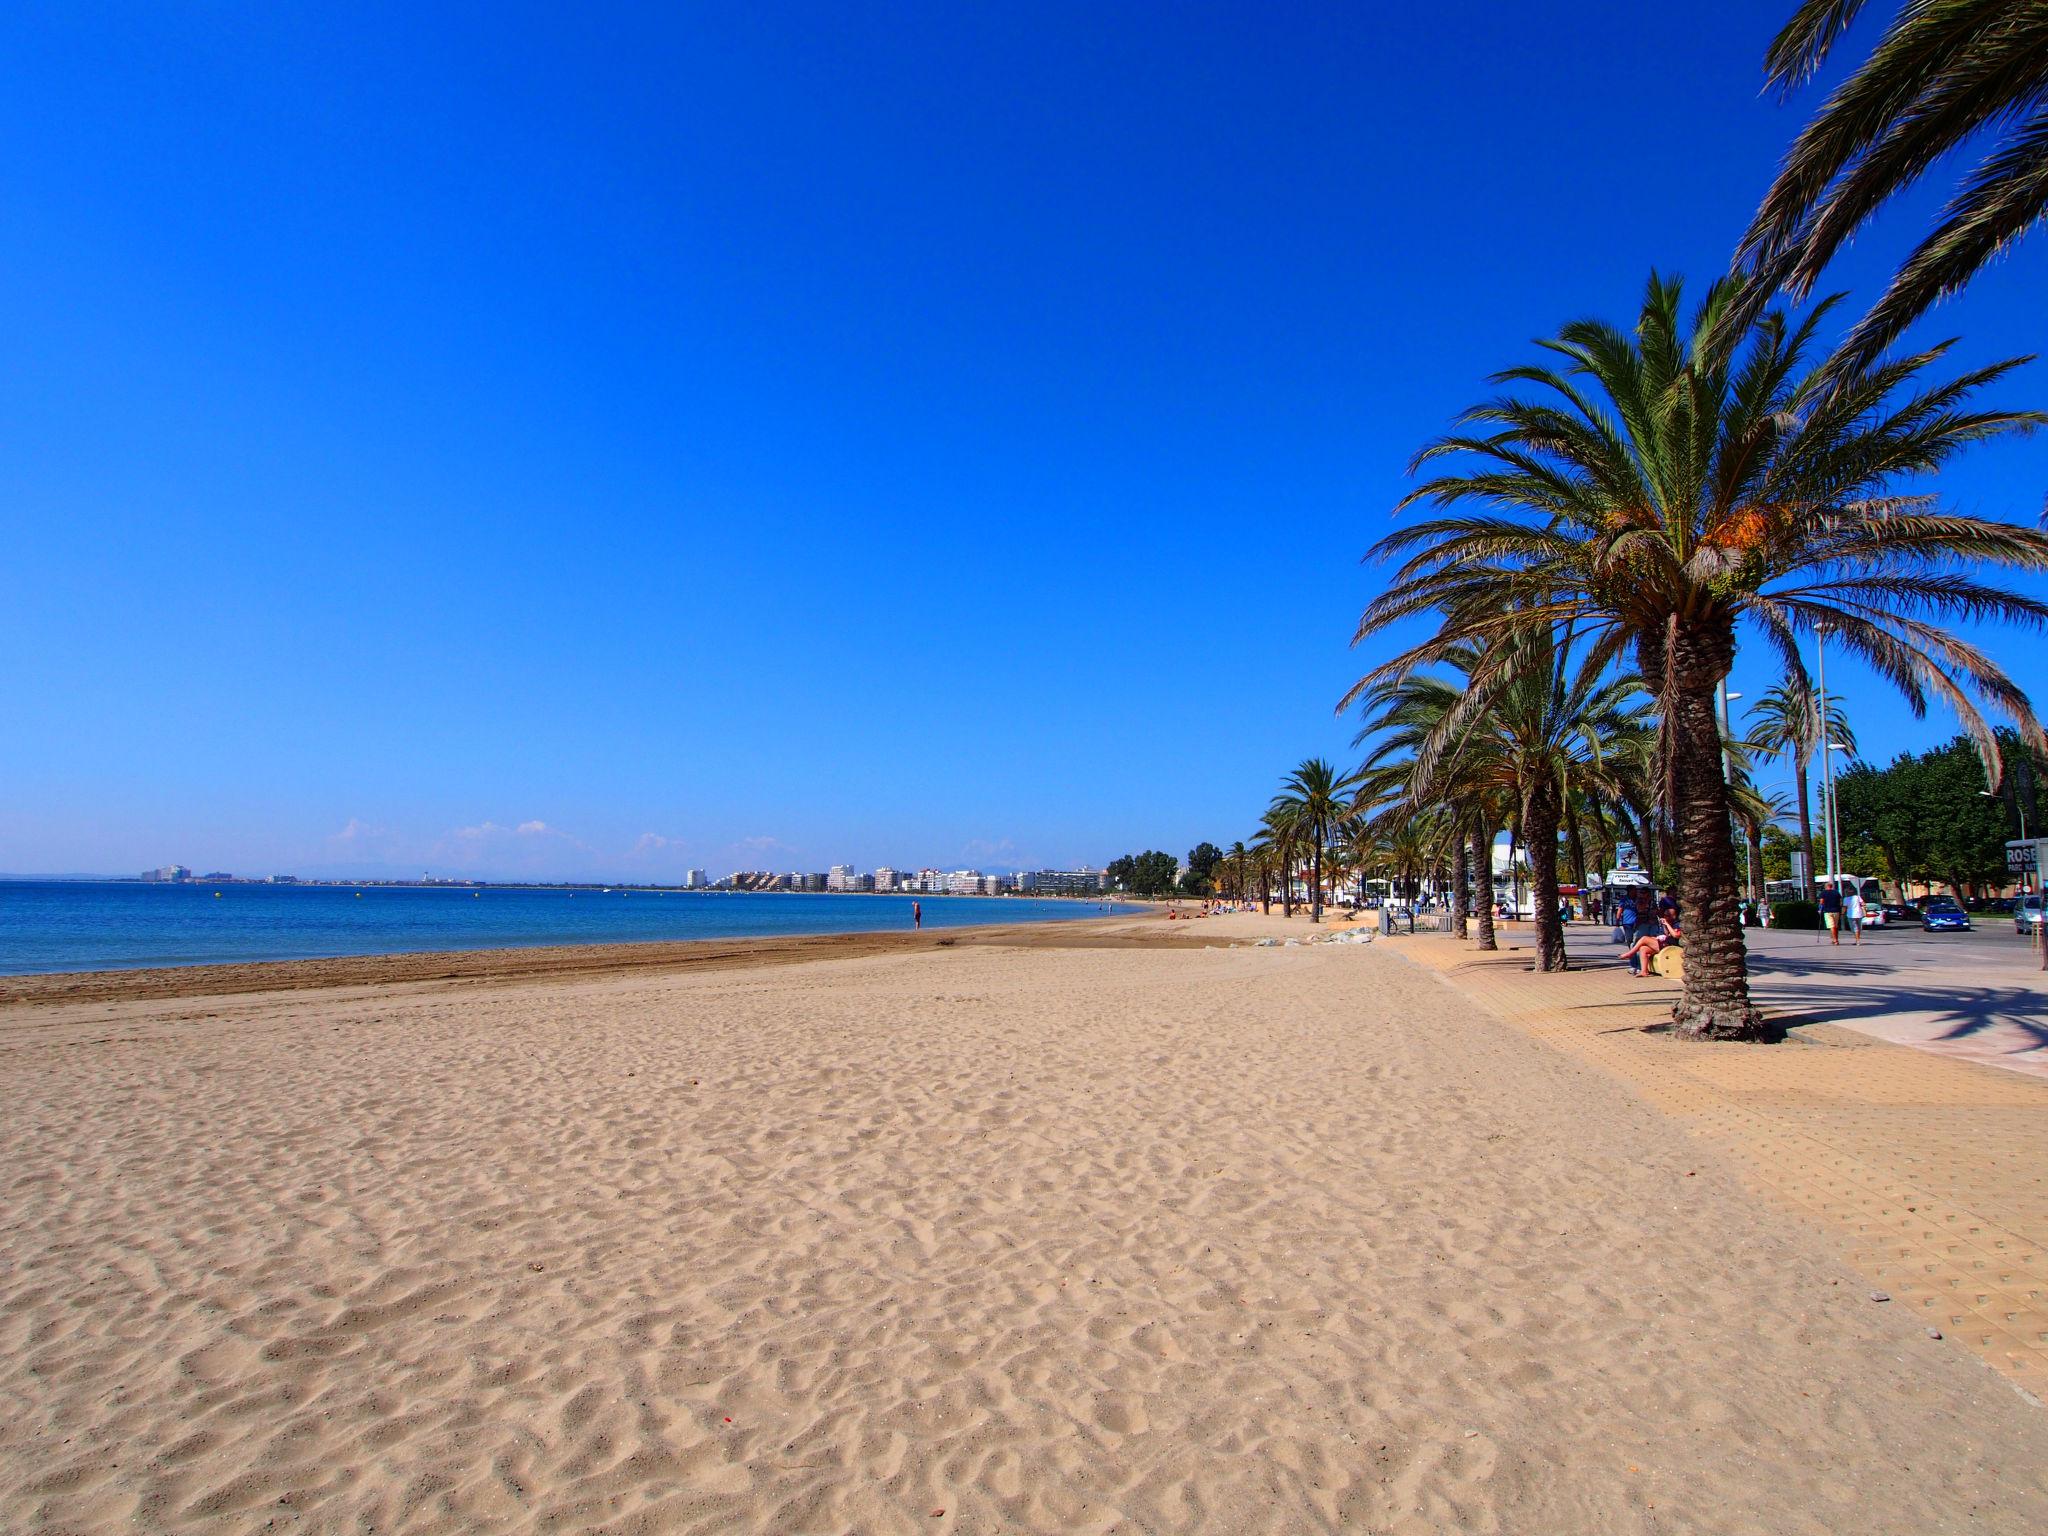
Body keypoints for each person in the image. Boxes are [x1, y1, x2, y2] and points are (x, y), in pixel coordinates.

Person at [1621, 910, 1681, 977]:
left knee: (1644, 938)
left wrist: (1667, 924)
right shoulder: (1670, 923)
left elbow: (1676, 935)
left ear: (1674, 916)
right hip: (1665, 944)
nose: (1665, 917)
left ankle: (1630, 953)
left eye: (1667, 915)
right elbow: (1667, 934)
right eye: (1664, 915)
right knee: (1643, 949)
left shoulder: (1678, 924)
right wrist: (1664, 925)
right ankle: (1644, 971)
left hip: (1670, 946)